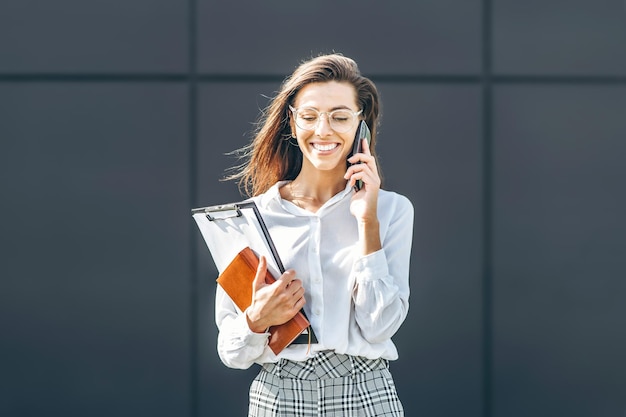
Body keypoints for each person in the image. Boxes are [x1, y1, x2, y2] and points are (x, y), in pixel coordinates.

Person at [217, 53, 414, 417]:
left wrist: (366, 220)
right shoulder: (253, 217)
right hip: (278, 396)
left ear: (361, 127)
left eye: (340, 117)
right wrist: (257, 319)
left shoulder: (391, 210)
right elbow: (231, 352)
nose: (323, 130)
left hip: (365, 392)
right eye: (309, 116)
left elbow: (380, 327)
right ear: (292, 124)